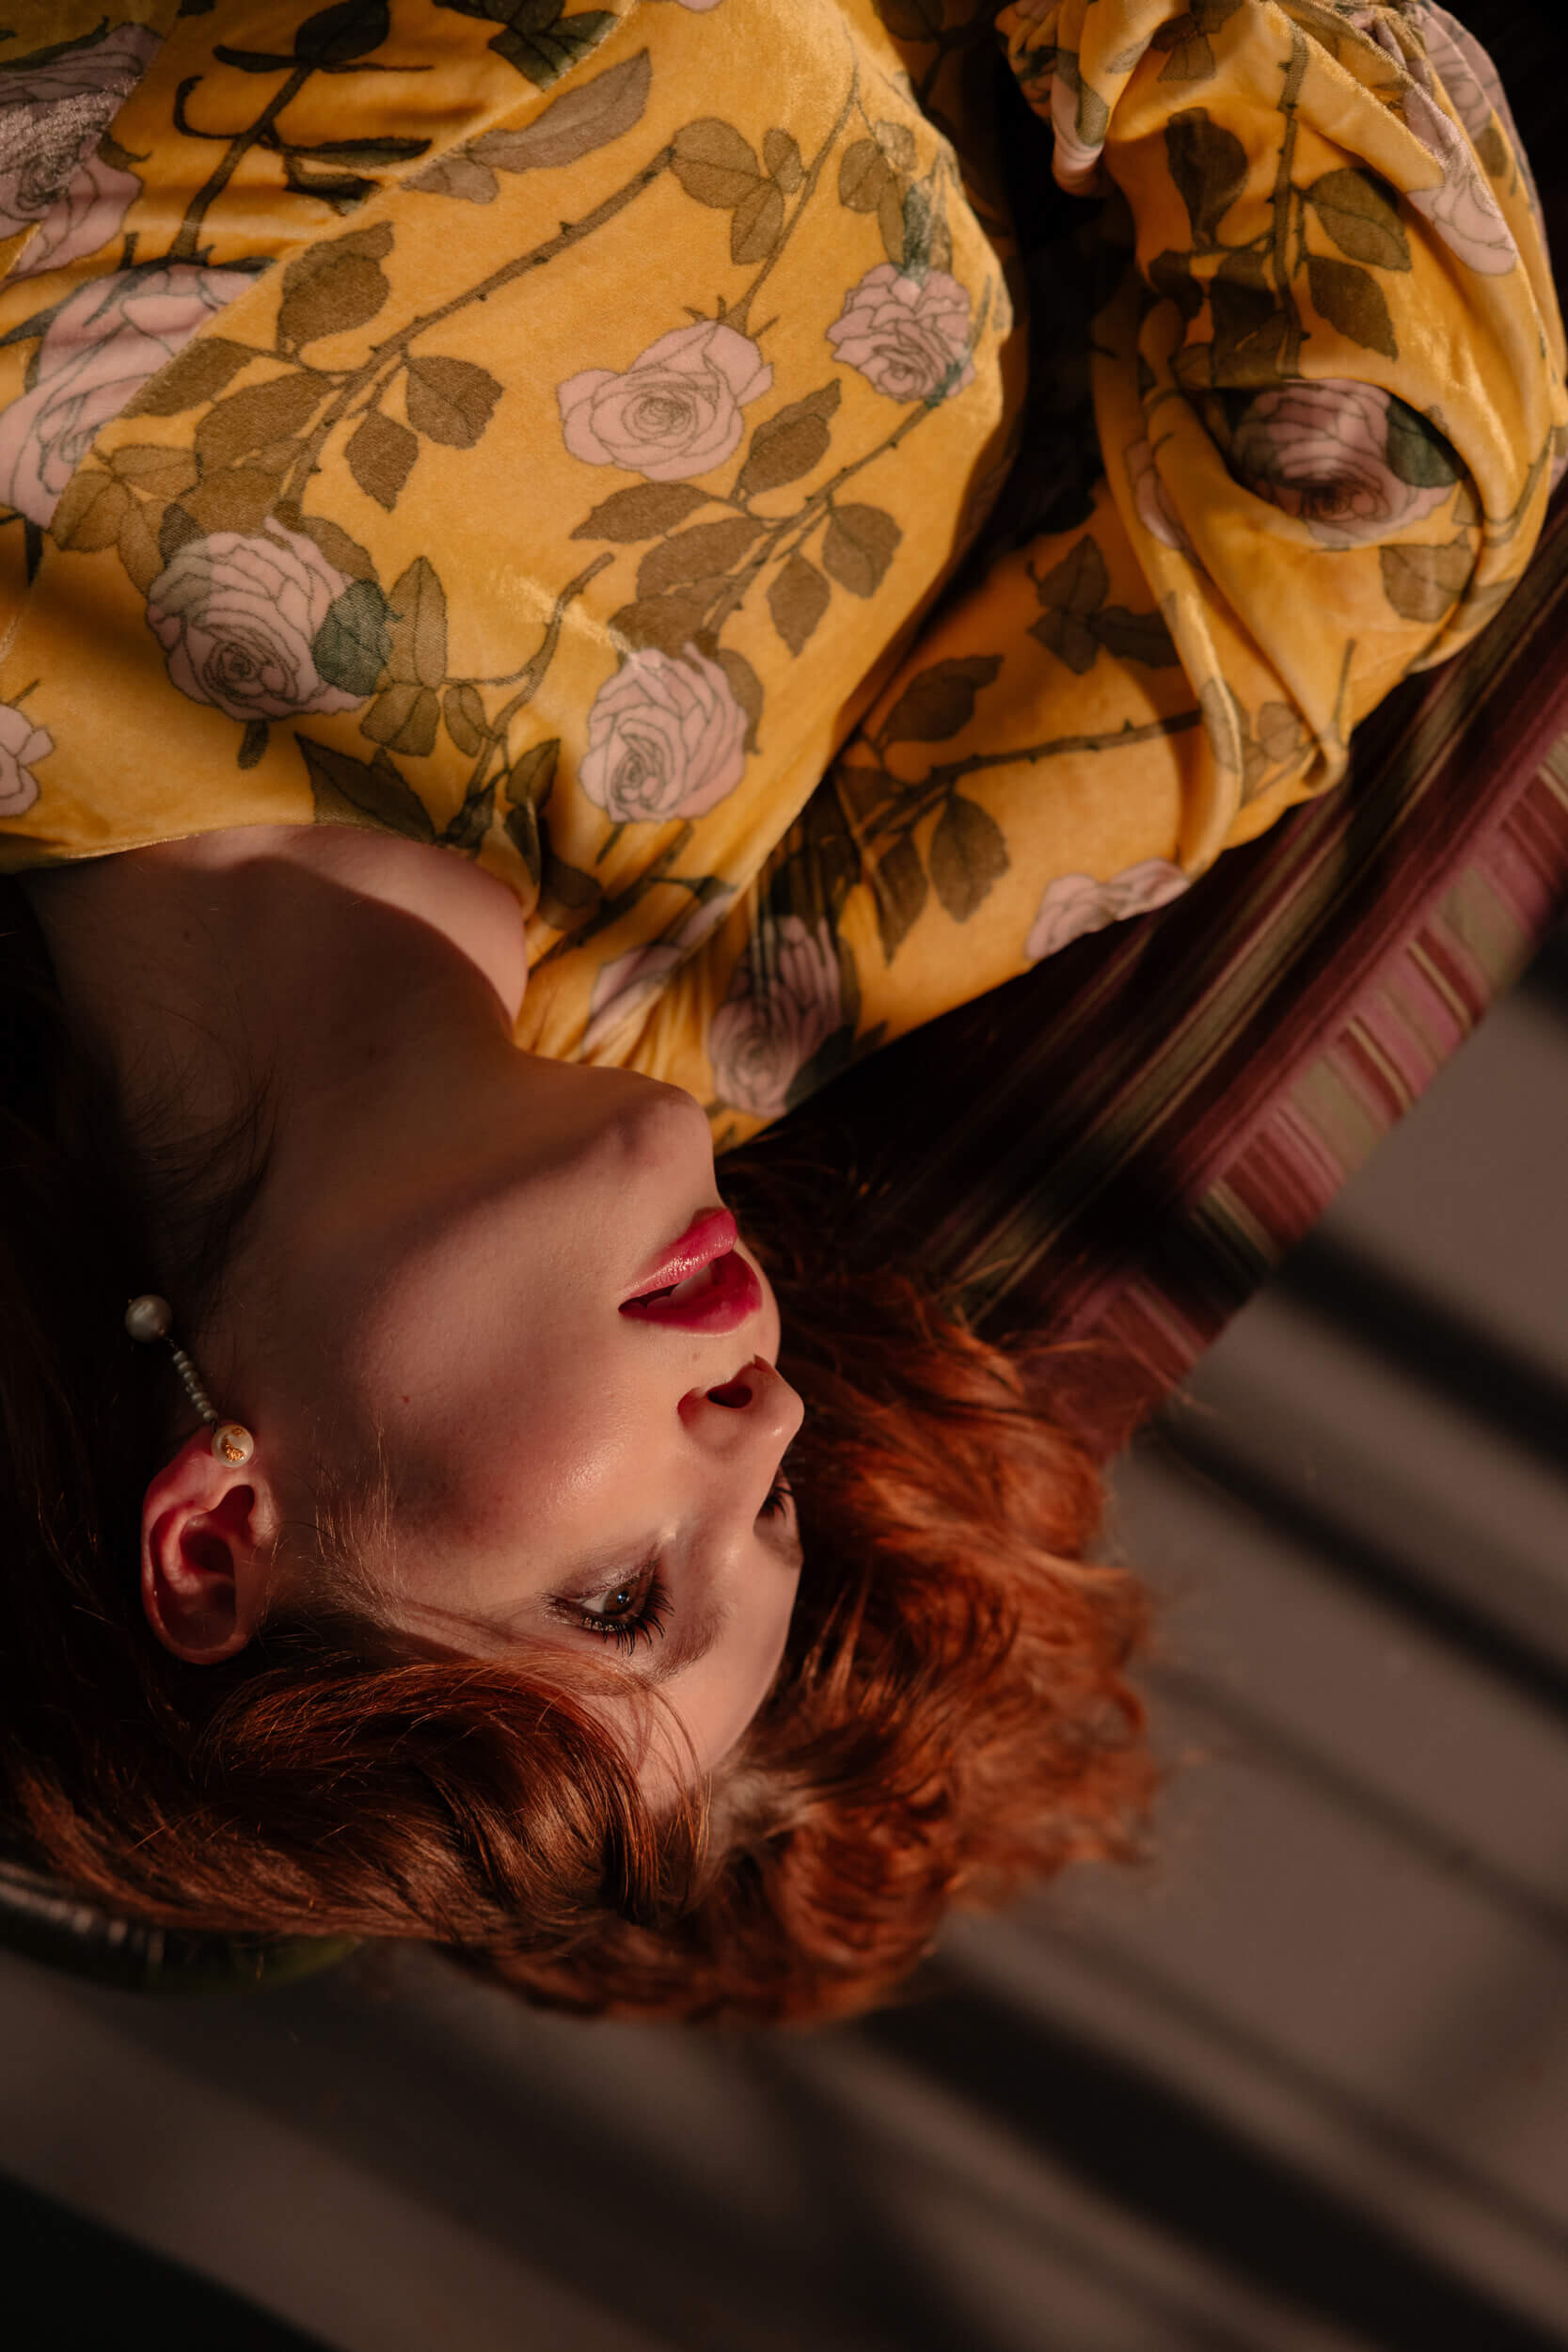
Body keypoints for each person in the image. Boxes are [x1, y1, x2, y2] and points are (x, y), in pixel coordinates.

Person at [0, 0, 1561, 2022]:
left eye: (621, 1593)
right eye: (777, 1525)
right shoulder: (731, 1001)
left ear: (219, 1536)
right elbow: (1369, 513)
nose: (773, 1427)